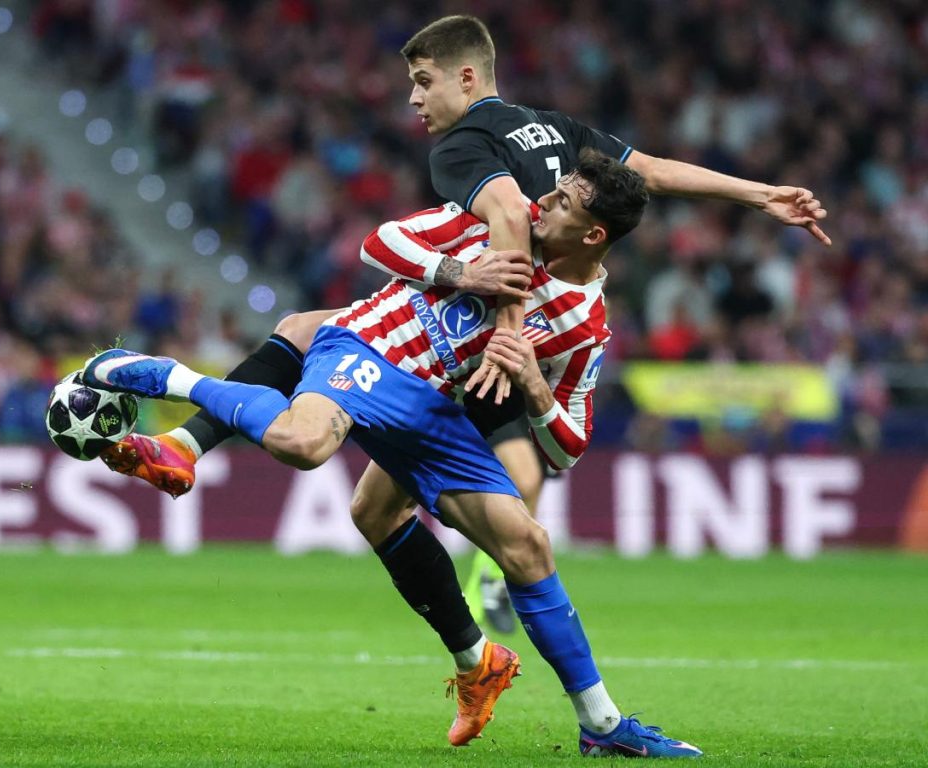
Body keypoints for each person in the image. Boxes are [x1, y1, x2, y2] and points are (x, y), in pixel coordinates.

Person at [99, 14, 831, 636]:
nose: (414, 100)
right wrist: (758, 193)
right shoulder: (554, 127)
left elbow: (511, 214)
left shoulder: (460, 145)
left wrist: (505, 317)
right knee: (352, 451)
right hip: (488, 337)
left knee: (474, 466)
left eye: (424, 82)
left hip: (487, 341)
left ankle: (492, 585)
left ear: (469, 80)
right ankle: (190, 447)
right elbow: (651, 171)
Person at [82, 150, 701, 757]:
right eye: (552, 190)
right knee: (305, 442)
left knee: (516, 543)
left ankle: (589, 717)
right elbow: (378, 244)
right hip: (371, 348)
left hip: (434, 412)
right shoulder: (492, 219)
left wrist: (536, 387)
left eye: (562, 201)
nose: (543, 201)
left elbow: (567, 450)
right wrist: (462, 274)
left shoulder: (584, 326)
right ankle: (166, 377)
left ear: (594, 234)